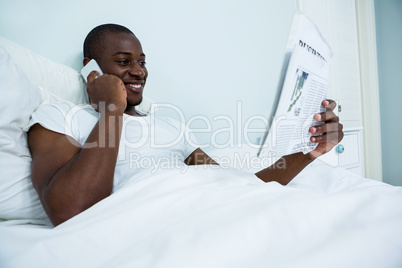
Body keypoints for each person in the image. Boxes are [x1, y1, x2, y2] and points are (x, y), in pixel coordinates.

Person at [27, 24, 343, 226]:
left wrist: (313, 152)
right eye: (124, 62)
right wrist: (111, 110)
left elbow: (239, 187)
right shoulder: (59, 117)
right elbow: (68, 212)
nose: (139, 72)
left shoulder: (172, 128)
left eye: (142, 61)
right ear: (91, 70)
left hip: (214, 217)